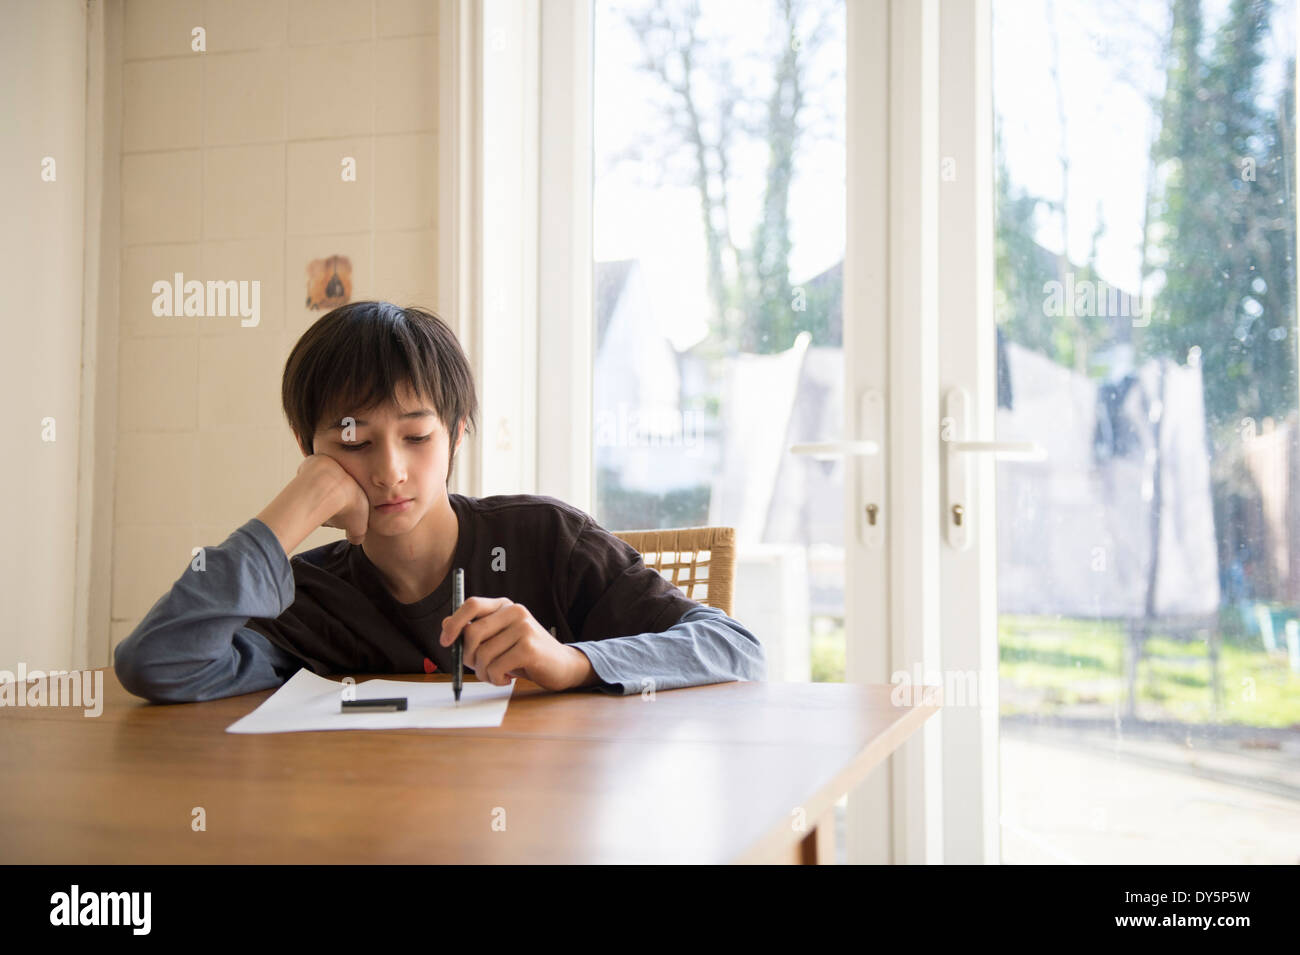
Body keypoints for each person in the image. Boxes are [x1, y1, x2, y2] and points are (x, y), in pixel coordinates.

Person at [113, 301, 765, 703]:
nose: (390, 470)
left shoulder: (547, 537)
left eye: (417, 436)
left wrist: (570, 661)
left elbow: (733, 648)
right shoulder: (301, 597)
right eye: (354, 442)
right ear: (308, 450)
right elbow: (158, 664)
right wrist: (294, 508)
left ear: (455, 435)